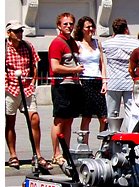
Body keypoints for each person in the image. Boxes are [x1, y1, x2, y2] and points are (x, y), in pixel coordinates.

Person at [5, 21, 46, 171]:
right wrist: (6, 85)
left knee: (34, 119)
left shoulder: (28, 46)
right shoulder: (4, 48)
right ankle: (13, 155)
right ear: (9, 33)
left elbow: (35, 66)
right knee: (10, 121)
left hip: (27, 89)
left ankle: (37, 153)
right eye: (16, 31)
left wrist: (32, 83)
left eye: (21, 31)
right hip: (10, 90)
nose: (19, 34)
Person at [49, 12, 84, 168]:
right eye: (65, 24)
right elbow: (55, 67)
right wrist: (73, 70)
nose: (68, 26)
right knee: (59, 119)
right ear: (59, 26)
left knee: (69, 120)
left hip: (74, 84)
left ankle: (65, 151)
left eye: (71, 24)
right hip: (62, 85)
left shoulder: (73, 42)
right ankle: (56, 153)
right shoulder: (57, 43)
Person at [73, 16, 108, 139]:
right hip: (85, 81)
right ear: (82, 29)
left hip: (97, 80)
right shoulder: (77, 44)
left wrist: (104, 81)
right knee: (86, 117)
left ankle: (103, 147)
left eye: (92, 26)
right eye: (88, 27)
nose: (91, 29)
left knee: (104, 118)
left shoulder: (97, 42)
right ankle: (84, 146)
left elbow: (102, 63)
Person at [102, 18, 139, 125]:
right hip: (129, 83)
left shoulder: (108, 43)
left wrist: (111, 39)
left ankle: (112, 135)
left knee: (112, 113)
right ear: (126, 29)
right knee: (131, 113)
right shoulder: (135, 44)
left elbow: (100, 50)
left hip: (113, 82)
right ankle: (130, 135)